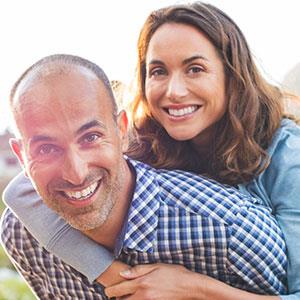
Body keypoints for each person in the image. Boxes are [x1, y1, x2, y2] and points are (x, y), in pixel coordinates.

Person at [2, 1, 300, 299]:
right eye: (158, 71)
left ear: (232, 73)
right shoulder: (142, 137)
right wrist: (111, 274)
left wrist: (194, 288)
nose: (174, 91)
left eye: (194, 69)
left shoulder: (287, 154)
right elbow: (20, 192)